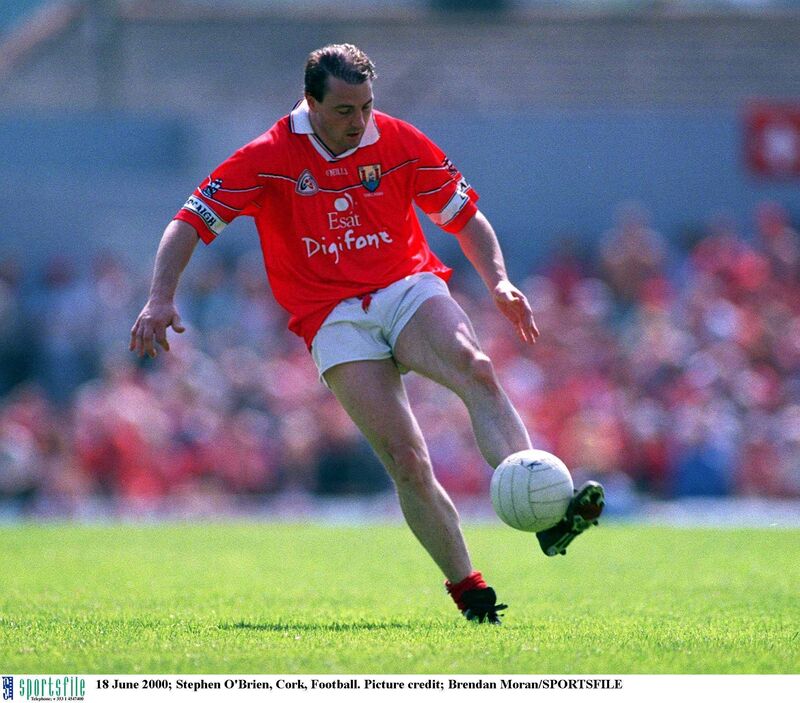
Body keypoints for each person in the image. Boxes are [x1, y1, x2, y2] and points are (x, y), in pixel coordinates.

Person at [130, 44, 604, 624]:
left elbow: (464, 217)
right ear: (310, 102)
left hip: (407, 286)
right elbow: (189, 223)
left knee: (476, 367)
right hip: (331, 315)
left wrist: (501, 282)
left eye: (367, 107)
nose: (360, 123)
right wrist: (159, 297)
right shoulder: (267, 156)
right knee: (406, 459)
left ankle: (549, 519)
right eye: (345, 111)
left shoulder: (400, 142)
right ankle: (469, 588)